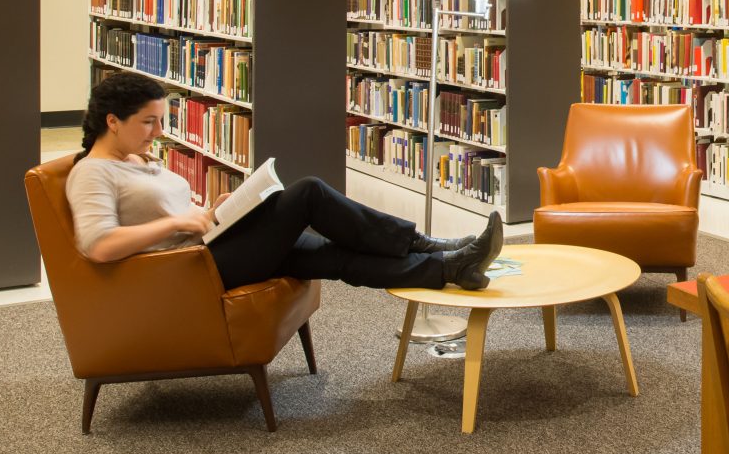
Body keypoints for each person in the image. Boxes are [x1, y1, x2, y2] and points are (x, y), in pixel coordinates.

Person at [64, 71, 500, 290]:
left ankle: (448, 267)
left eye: (160, 121)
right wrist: (177, 224)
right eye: (148, 123)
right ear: (112, 122)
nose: (158, 132)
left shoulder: (135, 160)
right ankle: (424, 243)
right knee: (308, 192)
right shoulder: (92, 173)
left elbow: (170, 216)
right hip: (188, 272)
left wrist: (212, 213)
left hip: (207, 249)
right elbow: (98, 246)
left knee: (333, 257)